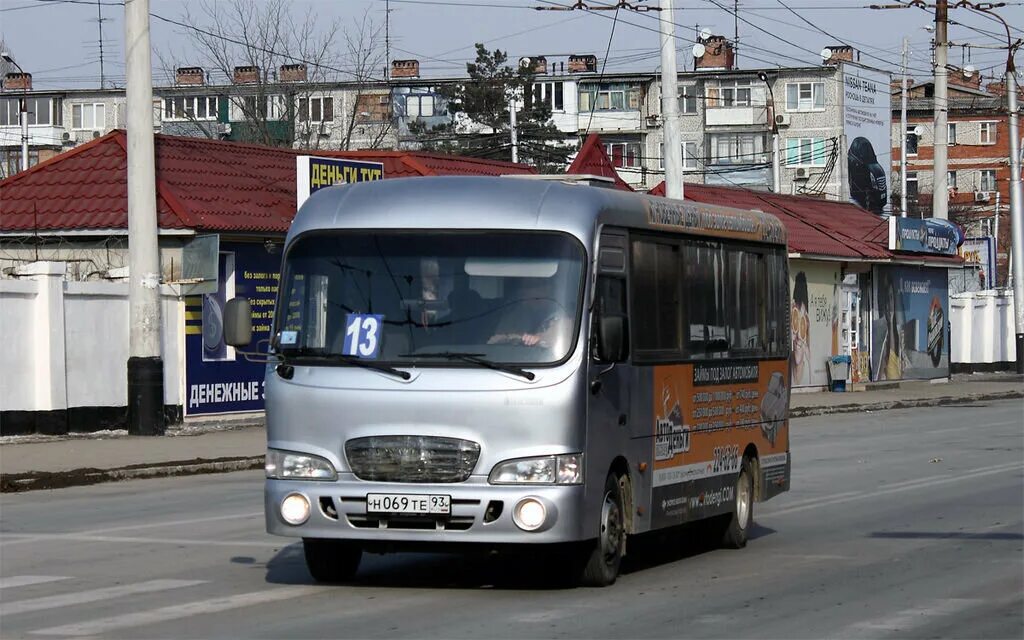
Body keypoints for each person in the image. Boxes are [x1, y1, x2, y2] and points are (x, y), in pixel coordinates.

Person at [488, 277, 568, 348]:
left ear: (549, 289)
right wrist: (519, 338)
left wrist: (539, 339)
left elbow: (558, 339)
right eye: (524, 288)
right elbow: (495, 340)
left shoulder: (563, 315)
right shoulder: (515, 315)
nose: (525, 292)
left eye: (532, 286)